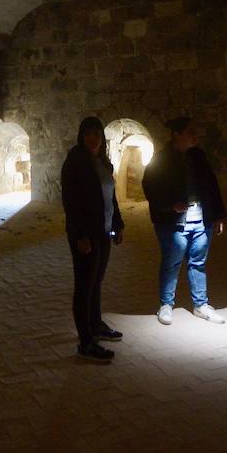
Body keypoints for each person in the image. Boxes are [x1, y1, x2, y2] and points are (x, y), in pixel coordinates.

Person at [141, 116, 227, 326]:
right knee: (172, 263)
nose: (195, 136)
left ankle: (201, 305)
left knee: (198, 263)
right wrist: (170, 204)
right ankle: (166, 305)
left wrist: (217, 214)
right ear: (177, 135)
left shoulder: (199, 157)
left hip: (201, 220)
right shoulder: (162, 159)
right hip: (173, 222)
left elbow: (211, 185)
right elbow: (150, 187)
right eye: (190, 132)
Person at [61, 116, 126, 361]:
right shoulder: (74, 163)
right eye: (88, 134)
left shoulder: (103, 163)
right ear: (81, 136)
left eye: (97, 134)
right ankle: (85, 342)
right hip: (85, 234)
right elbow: (70, 202)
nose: (93, 138)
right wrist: (79, 235)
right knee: (84, 285)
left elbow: (111, 197)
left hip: (103, 230)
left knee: (96, 281)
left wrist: (117, 223)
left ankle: (96, 324)